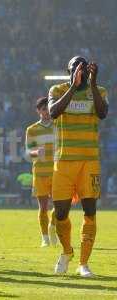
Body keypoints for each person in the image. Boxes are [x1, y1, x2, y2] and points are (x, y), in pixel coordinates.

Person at [48, 56, 108, 277]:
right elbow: (53, 112)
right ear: (68, 70)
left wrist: (91, 84)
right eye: (75, 67)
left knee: (89, 210)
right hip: (63, 161)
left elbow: (102, 113)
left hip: (89, 161)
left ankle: (83, 263)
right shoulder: (57, 89)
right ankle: (67, 252)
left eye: (83, 66)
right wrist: (73, 87)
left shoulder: (98, 91)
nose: (80, 70)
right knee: (61, 213)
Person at [25, 97, 57, 247]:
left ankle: (53, 227)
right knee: (43, 207)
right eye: (43, 109)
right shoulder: (32, 130)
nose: (47, 112)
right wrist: (36, 151)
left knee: (59, 206)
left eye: (49, 109)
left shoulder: (58, 125)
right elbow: (28, 152)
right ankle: (44, 237)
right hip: (40, 172)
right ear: (38, 111)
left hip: (58, 172)